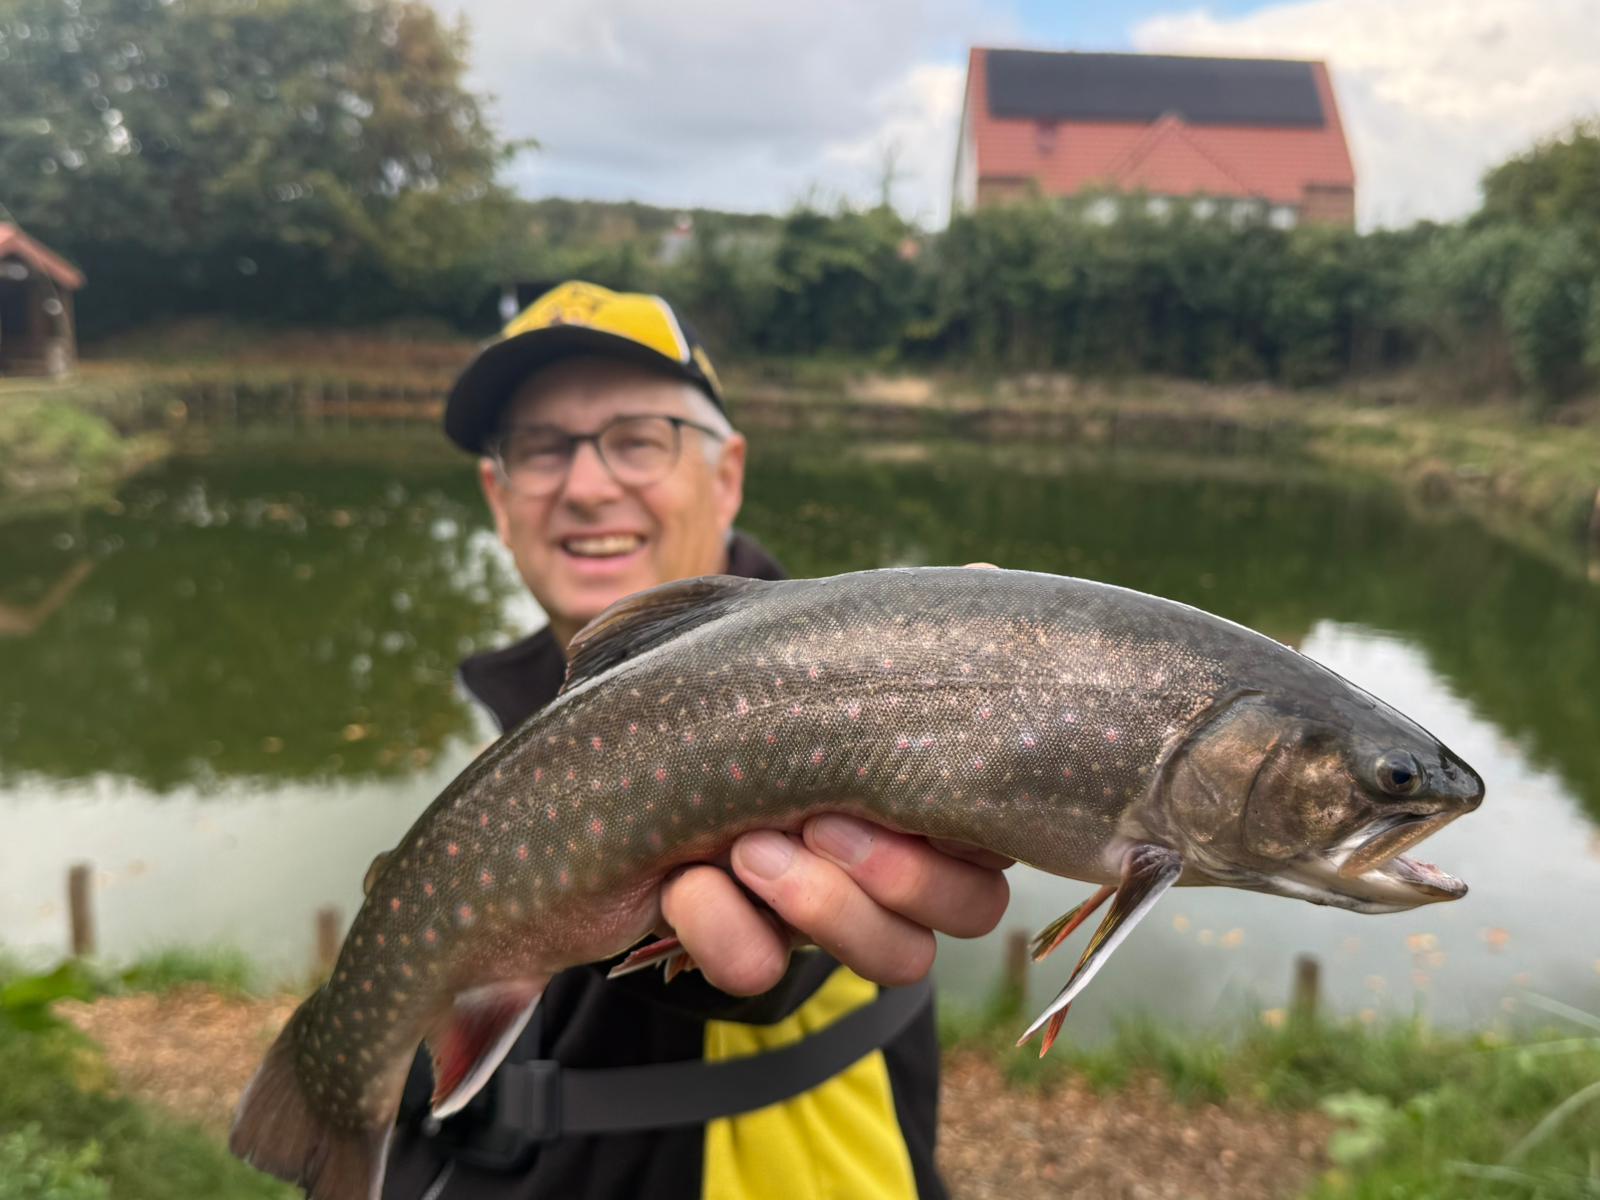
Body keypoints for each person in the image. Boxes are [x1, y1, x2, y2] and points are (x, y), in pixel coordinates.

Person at [382, 281, 1011, 1200]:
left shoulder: (858, 684)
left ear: (727, 477)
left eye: (638, 440)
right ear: (498, 494)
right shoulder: (511, 705)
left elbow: (765, 977)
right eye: (540, 448)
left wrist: (761, 925)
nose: (587, 487)